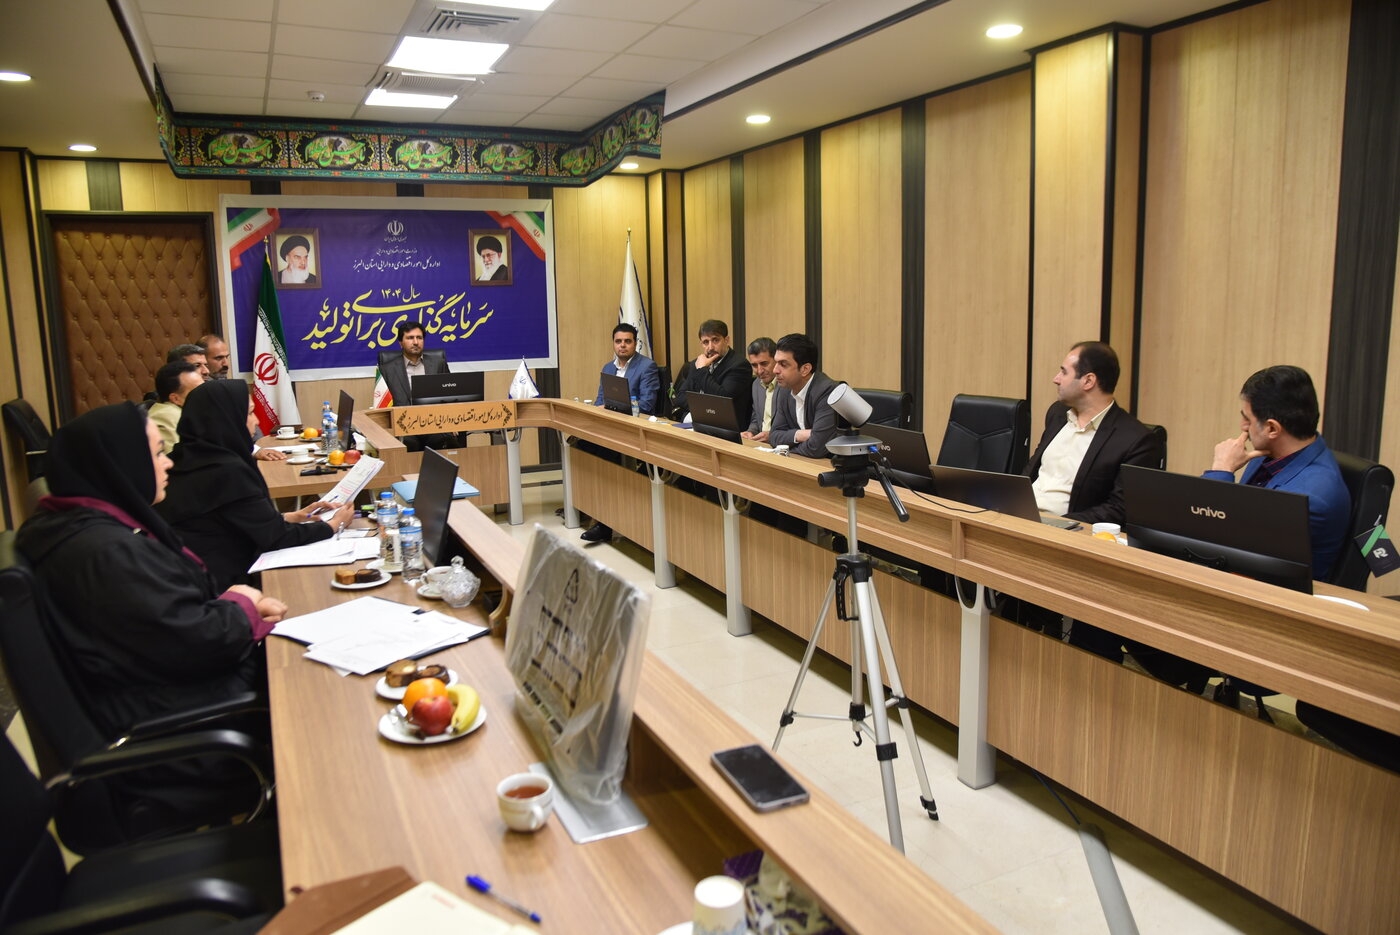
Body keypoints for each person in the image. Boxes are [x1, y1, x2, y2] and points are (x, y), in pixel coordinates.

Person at [14, 402, 287, 820]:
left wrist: (231, 601)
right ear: (119, 463)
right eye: (158, 453)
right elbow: (196, 640)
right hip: (179, 739)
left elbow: (160, 622)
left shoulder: (76, 527)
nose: (168, 462)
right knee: (311, 695)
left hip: (153, 705)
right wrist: (242, 605)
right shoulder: (104, 553)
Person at [157, 380, 354, 592]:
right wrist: (333, 525)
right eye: (250, 413)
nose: (257, 421)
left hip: (183, 578)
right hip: (223, 585)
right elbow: (276, 537)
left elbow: (226, 517)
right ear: (227, 418)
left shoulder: (181, 458)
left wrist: (290, 517)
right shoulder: (226, 470)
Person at [1204, 364, 1350, 577]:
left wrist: (1221, 469)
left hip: (1269, 590)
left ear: (1272, 428)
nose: (1242, 426)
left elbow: (1214, 539)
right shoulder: (1271, 453)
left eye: (1247, 419)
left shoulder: (1310, 499)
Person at [1026, 341, 1163, 526]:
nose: (1056, 379)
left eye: (1064, 372)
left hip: (1068, 531)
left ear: (1088, 381)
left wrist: (1057, 524)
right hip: (1022, 519)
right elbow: (1032, 470)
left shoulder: (1136, 440)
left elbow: (1119, 509)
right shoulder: (1057, 414)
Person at [375, 321, 452, 451]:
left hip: (433, 424)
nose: (416, 342)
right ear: (400, 343)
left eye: (419, 338)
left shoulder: (438, 364)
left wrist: (451, 422)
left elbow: (450, 395)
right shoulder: (386, 370)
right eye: (410, 338)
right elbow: (382, 406)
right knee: (408, 444)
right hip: (404, 426)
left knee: (444, 440)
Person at [668, 319, 752, 428]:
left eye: (715, 340)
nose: (710, 347)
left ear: (727, 340)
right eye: (706, 342)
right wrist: (705, 410)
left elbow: (722, 400)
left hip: (725, 428)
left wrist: (702, 370)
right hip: (696, 422)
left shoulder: (739, 365)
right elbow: (681, 396)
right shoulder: (696, 363)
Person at [768, 333, 839, 458]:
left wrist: (786, 448)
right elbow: (774, 436)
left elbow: (816, 447)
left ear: (805, 369)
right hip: (800, 462)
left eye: (783, 364)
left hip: (827, 465)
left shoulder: (828, 392)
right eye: (776, 363)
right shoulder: (784, 388)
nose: (775, 370)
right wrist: (800, 435)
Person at [593, 323, 660, 415]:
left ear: (635, 343)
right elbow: (600, 400)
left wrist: (612, 409)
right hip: (608, 418)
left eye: (628, 341)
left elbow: (646, 404)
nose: (622, 345)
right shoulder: (607, 368)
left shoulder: (647, 366)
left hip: (634, 420)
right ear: (613, 344)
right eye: (618, 341)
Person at [147, 360, 203, 450]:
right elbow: (176, 457)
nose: (205, 394)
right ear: (176, 399)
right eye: (198, 391)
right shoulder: (166, 417)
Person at [742, 337, 779, 441]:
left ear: (776, 360)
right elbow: (756, 419)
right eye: (754, 365)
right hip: (761, 444)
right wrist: (751, 432)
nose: (759, 371)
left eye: (764, 364)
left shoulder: (788, 385)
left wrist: (771, 436)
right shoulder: (756, 384)